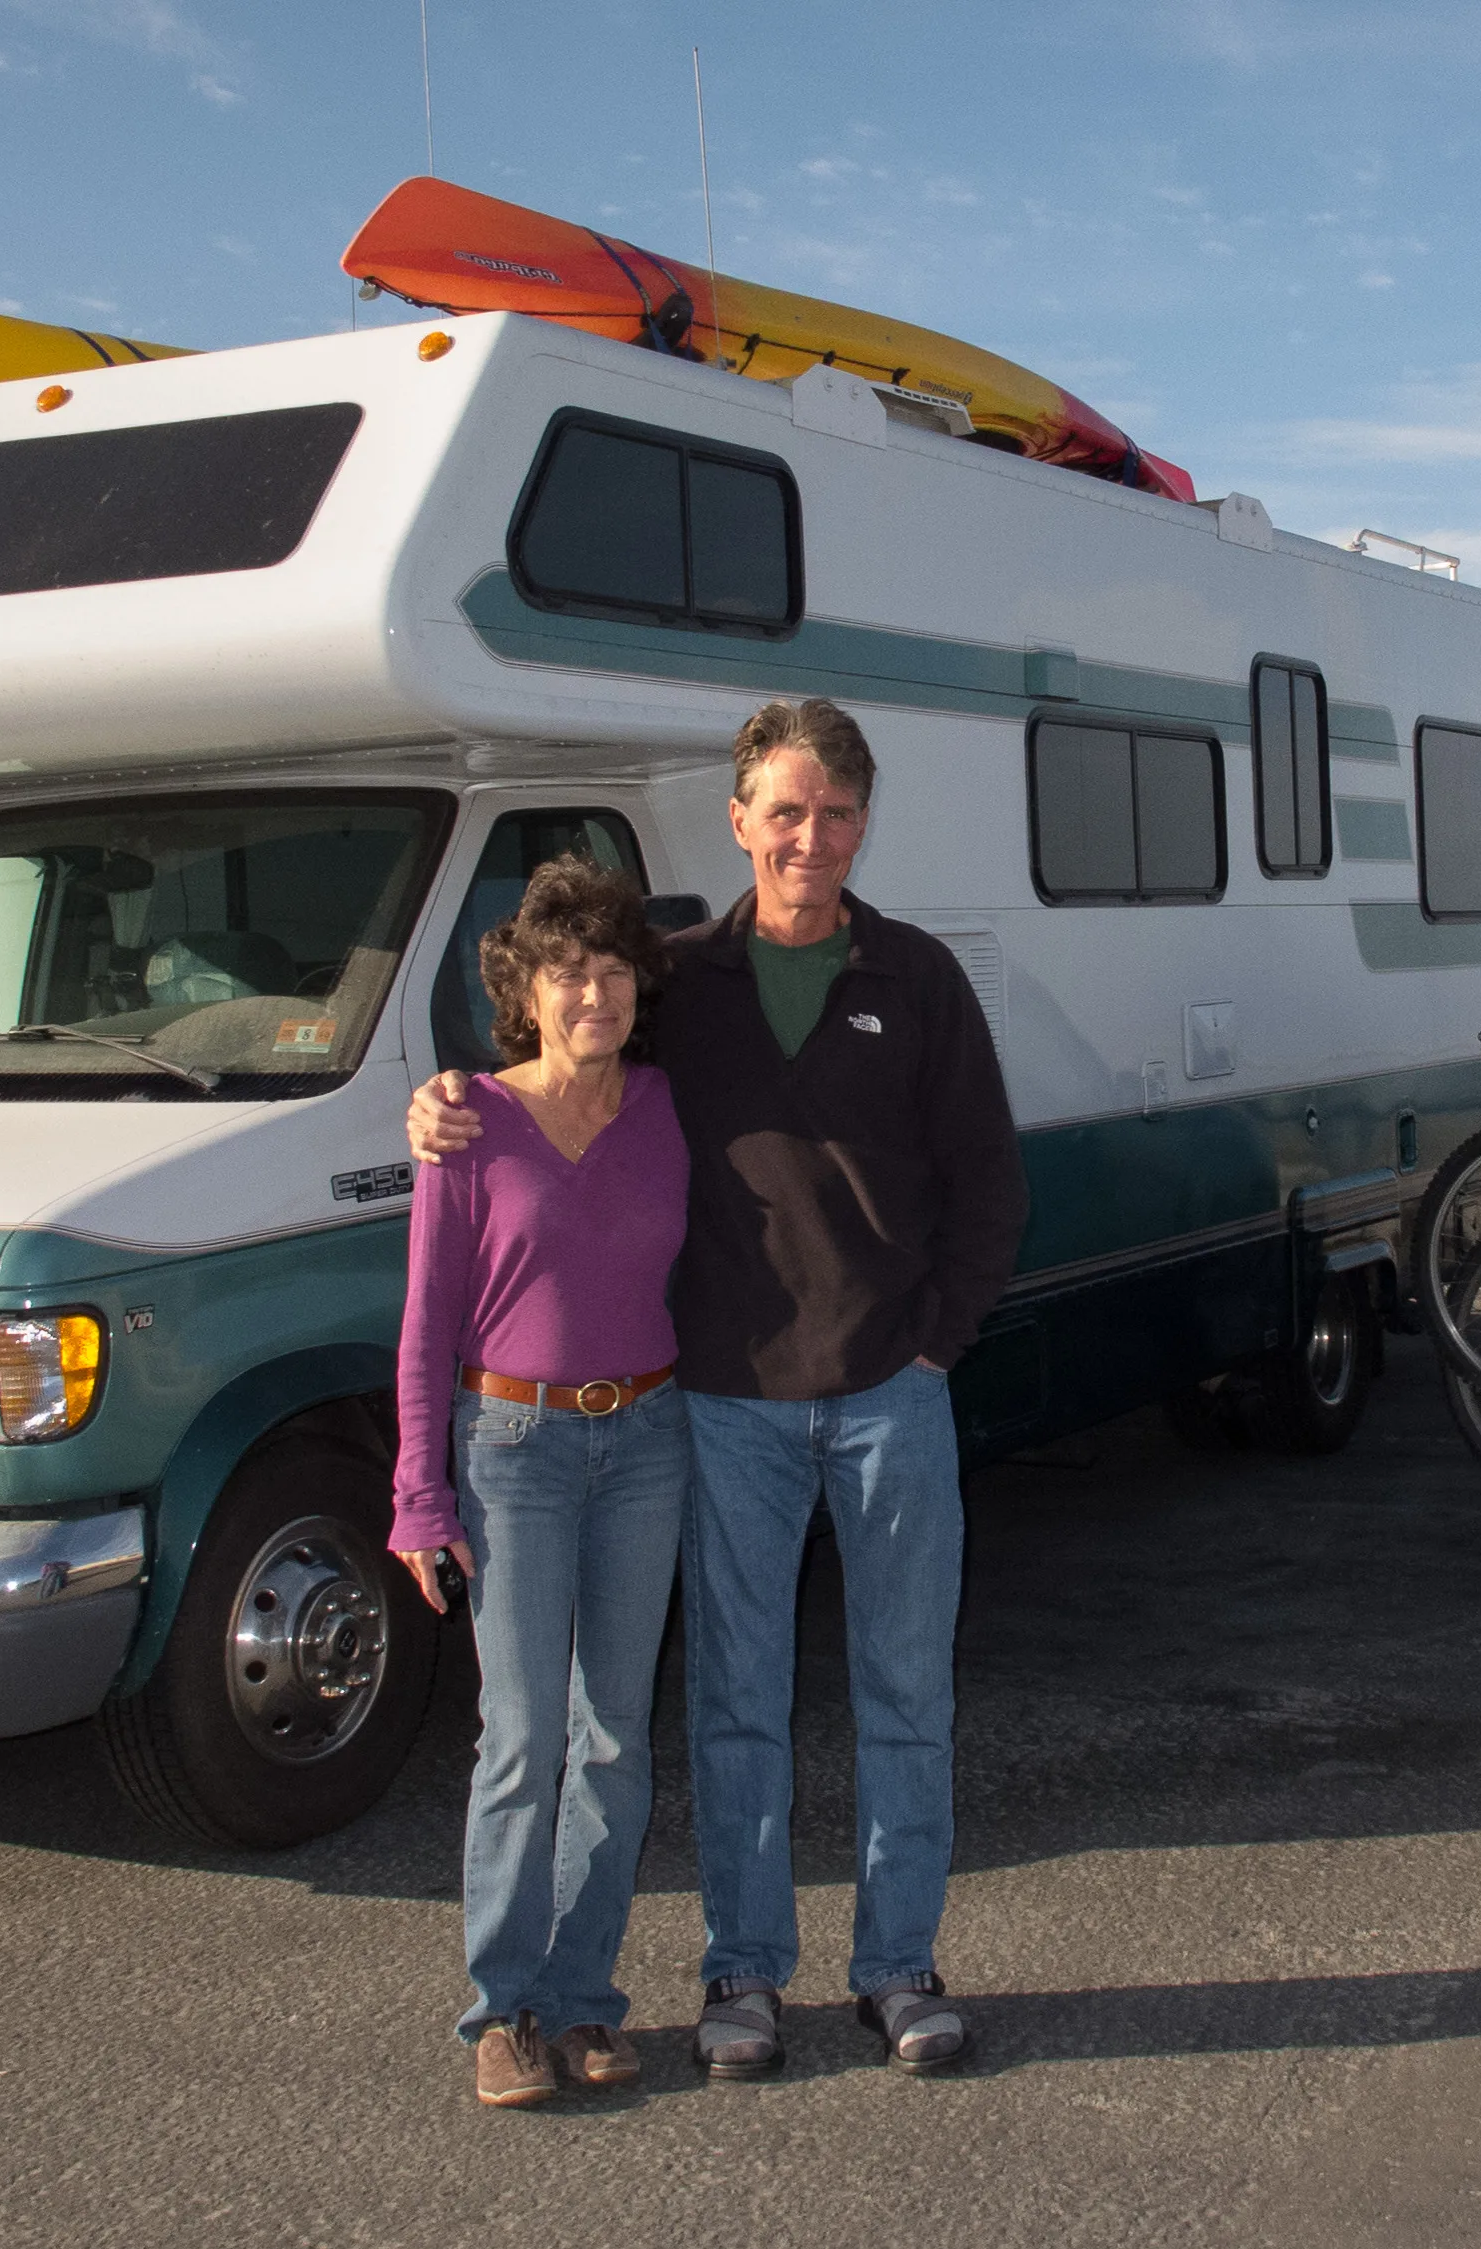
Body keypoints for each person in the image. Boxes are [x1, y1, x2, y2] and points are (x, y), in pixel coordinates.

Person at [412, 698, 1028, 2078]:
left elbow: (989, 1179)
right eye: (786, 811)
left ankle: (898, 1969)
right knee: (736, 1700)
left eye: (838, 813)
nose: (812, 837)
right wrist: (441, 1101)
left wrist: (937, 1339)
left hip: (890, 1398)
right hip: (728, 1406)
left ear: (864, 824)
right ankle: (742, 1978)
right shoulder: (675, 984)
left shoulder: (918, 980)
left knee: (904, 1692)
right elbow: (544, 1061)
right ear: (741, 819)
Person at [389, 856, 691, 2110]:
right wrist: (420, 1491)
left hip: (649, 1440)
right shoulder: (466, 1120)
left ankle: (582, 1999)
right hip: (511, 1449)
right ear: (527, 990)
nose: (595, 993)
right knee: (520, 1736)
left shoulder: (672, 1104)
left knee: (615, 1737)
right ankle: (500, 2011)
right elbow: (425, 1321)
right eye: (569, 972)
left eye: (615, 969)